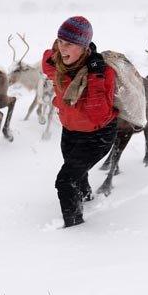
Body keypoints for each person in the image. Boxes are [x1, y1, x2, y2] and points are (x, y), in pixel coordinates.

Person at [41, 16, 118, 228]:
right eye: (60, 41)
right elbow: (46, 60)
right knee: (77, 173)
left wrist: (95, 75)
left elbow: (98, 114)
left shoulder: (103, 73)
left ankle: (75, 227)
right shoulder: (57, 64)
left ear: (84, 47)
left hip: (98, 134)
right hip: (70, 131)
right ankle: (86, 198)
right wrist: (59, 47)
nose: (62, 48)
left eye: (70, 43)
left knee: (65, 181)